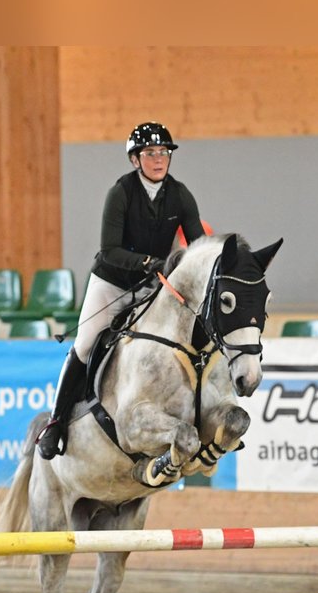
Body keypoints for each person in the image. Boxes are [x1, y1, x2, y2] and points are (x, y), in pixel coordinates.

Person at [36, 121, 206, 459]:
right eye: (150, 153)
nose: (158, 159)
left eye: (163, 152)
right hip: (111, 282)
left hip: (151, 287)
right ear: (135, 159)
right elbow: (109, 249)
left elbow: (198, 245)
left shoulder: (180, 194)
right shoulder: (121, 193)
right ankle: (56, 422)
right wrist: (148, 262)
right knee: (85, 344)